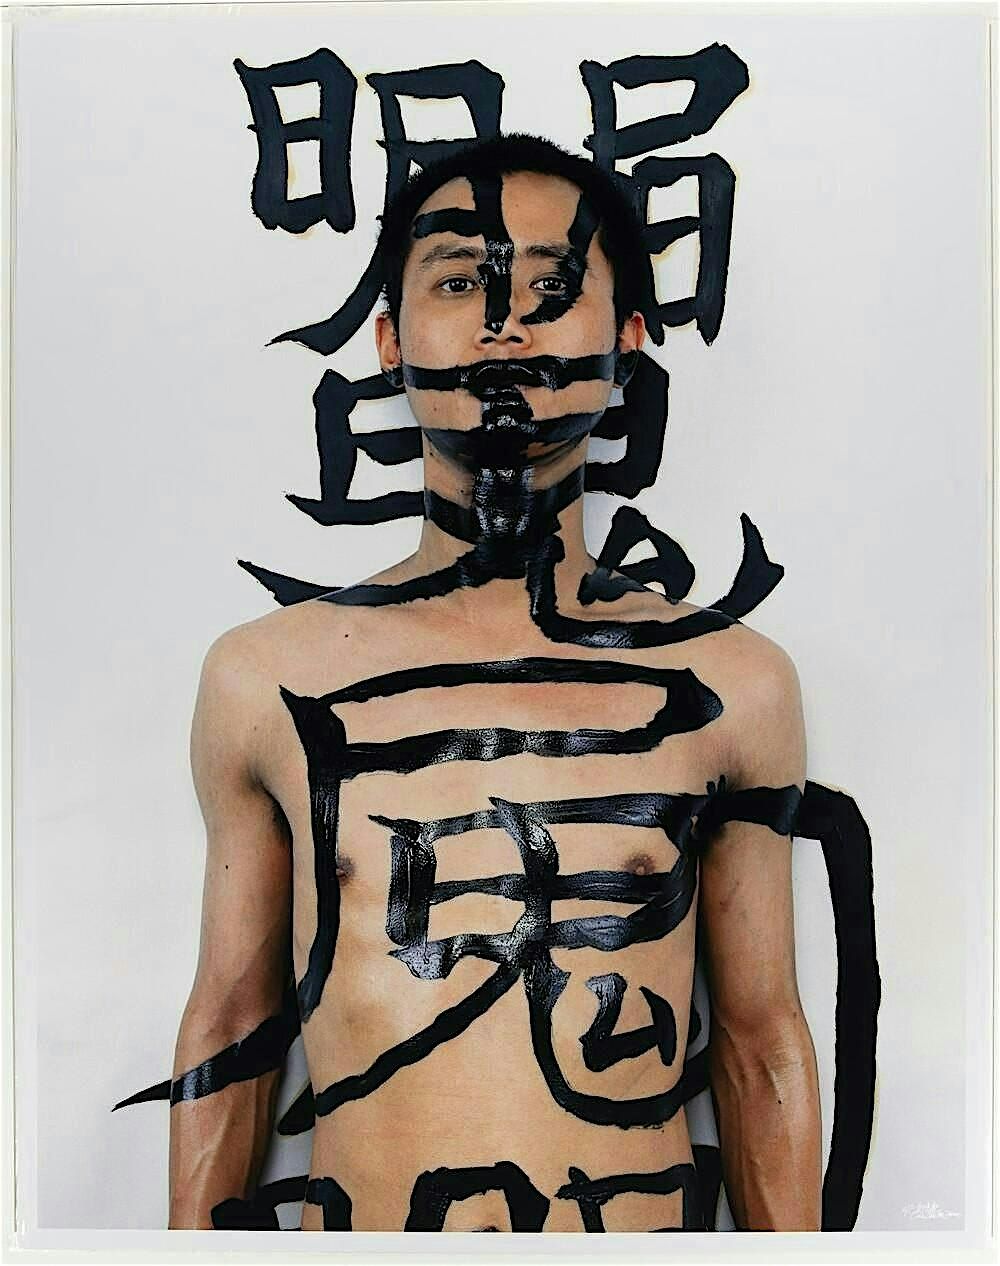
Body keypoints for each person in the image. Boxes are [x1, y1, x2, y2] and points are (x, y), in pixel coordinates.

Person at [168, 133, 822, 1232]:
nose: (505, 323)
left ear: (626, 338)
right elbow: (232, 1022)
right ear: (390, 340)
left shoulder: (733, 685)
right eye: (461, 282)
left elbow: (760, 1041)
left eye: (552, 288)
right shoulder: (265, 678)